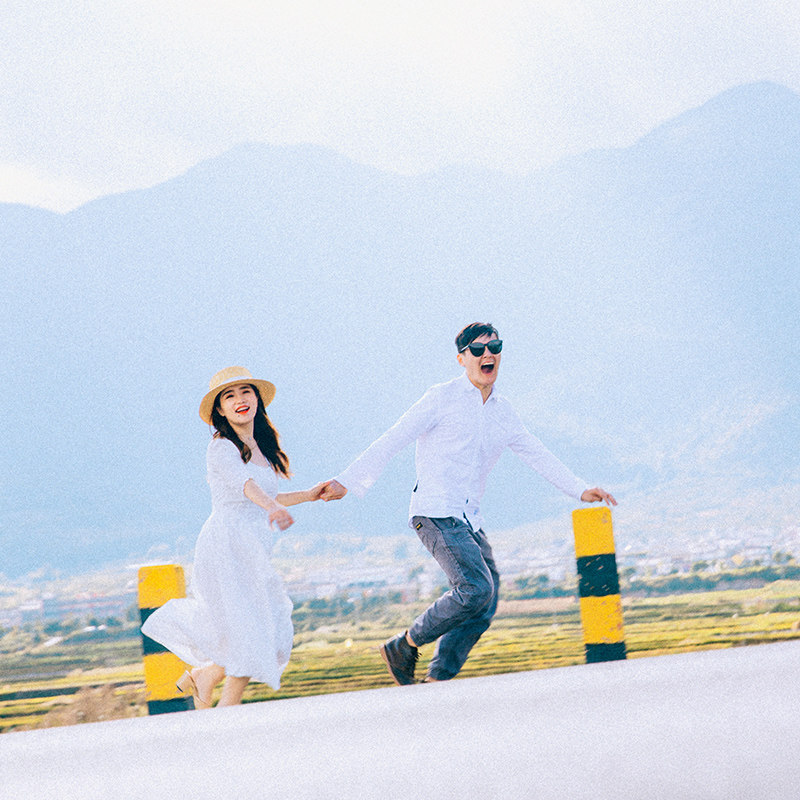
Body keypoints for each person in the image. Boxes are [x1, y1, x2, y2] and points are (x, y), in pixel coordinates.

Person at [321, 323, 616, 685]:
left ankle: (438, 678)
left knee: (486, 599)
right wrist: (347, 481)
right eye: (477, 350)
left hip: (468, 519)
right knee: (476, 588)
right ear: (462, 359)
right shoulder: (440, 398)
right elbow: (393, 438)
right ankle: (404, 645)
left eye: (494, 347)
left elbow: (536, 453)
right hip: (434, 513)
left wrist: (580, 489)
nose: (487, 354)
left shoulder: (503, 411)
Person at [141, 366, 328, 708]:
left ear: (257, 399)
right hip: (226, 545)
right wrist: (272, 507)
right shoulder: (221, 447)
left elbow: (267, 494)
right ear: (220, 410)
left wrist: (309, 495)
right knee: (252, 629)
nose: (240, 400)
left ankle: (206, 675)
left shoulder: (260, 445)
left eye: (246, 391)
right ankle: (228, 714)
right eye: (229, 396)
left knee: (262, 628)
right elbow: (247, 486)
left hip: (250, 545)